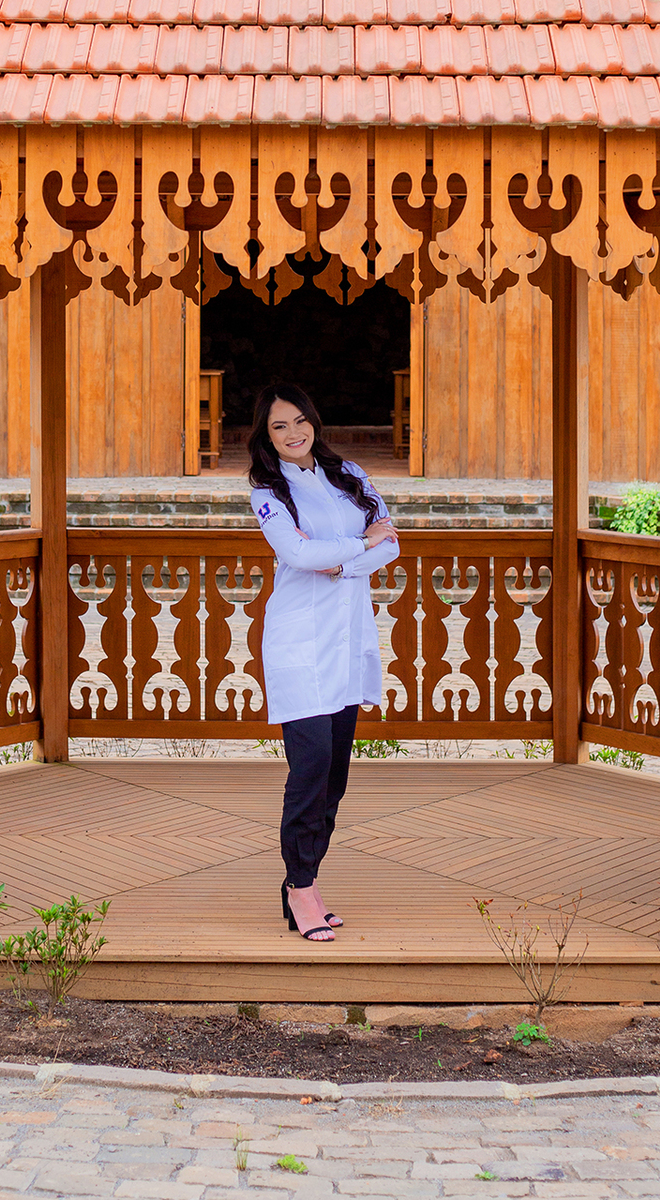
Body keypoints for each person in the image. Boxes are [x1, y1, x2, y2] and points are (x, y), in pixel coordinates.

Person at [247, 383, 400, 943]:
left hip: (346, 641)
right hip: (298, 643)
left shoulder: (350, 474)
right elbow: (296, 554)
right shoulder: (267, 490)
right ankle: (300, 887)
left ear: (314, 420)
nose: (293, 433)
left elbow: (393, 544)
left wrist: (339, 560)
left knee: (334, 777)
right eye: (279, 427)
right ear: (266, 436)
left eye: (299, 421)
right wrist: (358, 546)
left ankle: (303, 883)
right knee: (309, 771)